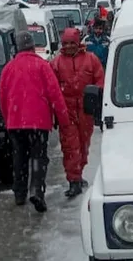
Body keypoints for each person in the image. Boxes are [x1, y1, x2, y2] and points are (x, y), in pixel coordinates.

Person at [0, 31, 78, 213]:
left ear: (17, 47)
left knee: (19, 157)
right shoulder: (42, 66)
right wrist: (64, 119)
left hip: (15, 122)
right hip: (38, 122)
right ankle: (37, 191)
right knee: (38, 157)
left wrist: (8, 117)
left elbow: (2, 97)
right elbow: (55, 95)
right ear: (33, 46)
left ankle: (19, 193)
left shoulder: (8, 68)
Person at [51, 27, 105, 198]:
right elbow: (51, 88)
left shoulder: (91, 59)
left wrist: (95, 99)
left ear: (78, 43)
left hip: (86, 110)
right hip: (67, 112)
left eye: (71, 43)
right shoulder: (57, 63)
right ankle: (73, 180)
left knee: (83, 145)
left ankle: (78, 173)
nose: (68, 47)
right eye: (65, 44)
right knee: (70, 147)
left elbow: (100, 81)